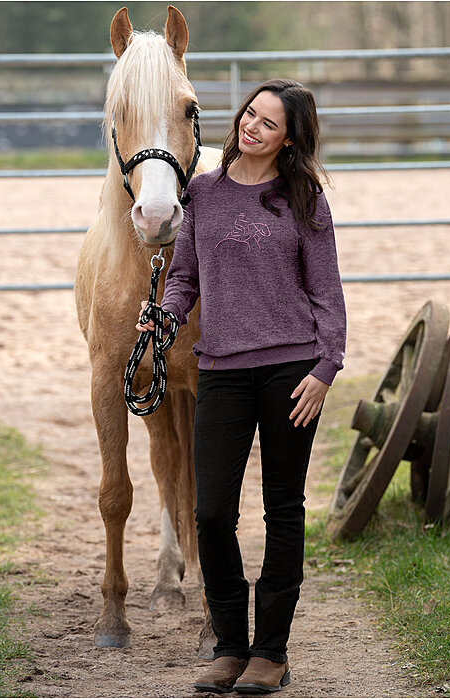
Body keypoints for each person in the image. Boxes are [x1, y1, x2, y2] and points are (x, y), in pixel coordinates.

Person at [136, 78, 346, 694]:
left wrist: (325, 368)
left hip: (291, 373)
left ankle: (270, 652)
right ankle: (230, 644)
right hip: (221, 370)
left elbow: (326, 292)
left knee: (283, 511)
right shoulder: (202, 193)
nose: (251, 126)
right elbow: (184, 277)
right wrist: (167, 316)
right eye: (250, 114)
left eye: (268, 123)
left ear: (289, 140)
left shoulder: (304, 199)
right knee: (210, 512)